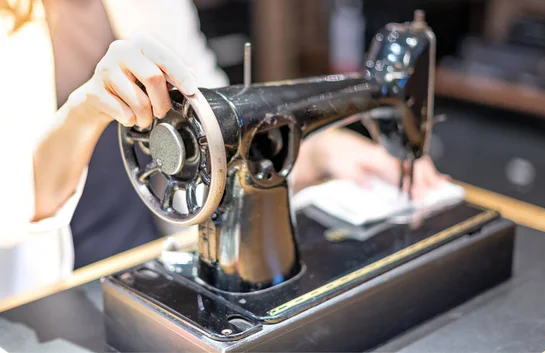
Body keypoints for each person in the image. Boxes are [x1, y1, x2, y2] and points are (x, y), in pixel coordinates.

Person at [0, 0, 446, 300]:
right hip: (53, 295)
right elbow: (12, 209)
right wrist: (84, 111)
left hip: (154, 261)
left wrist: (327, 148)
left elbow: (222, 133)